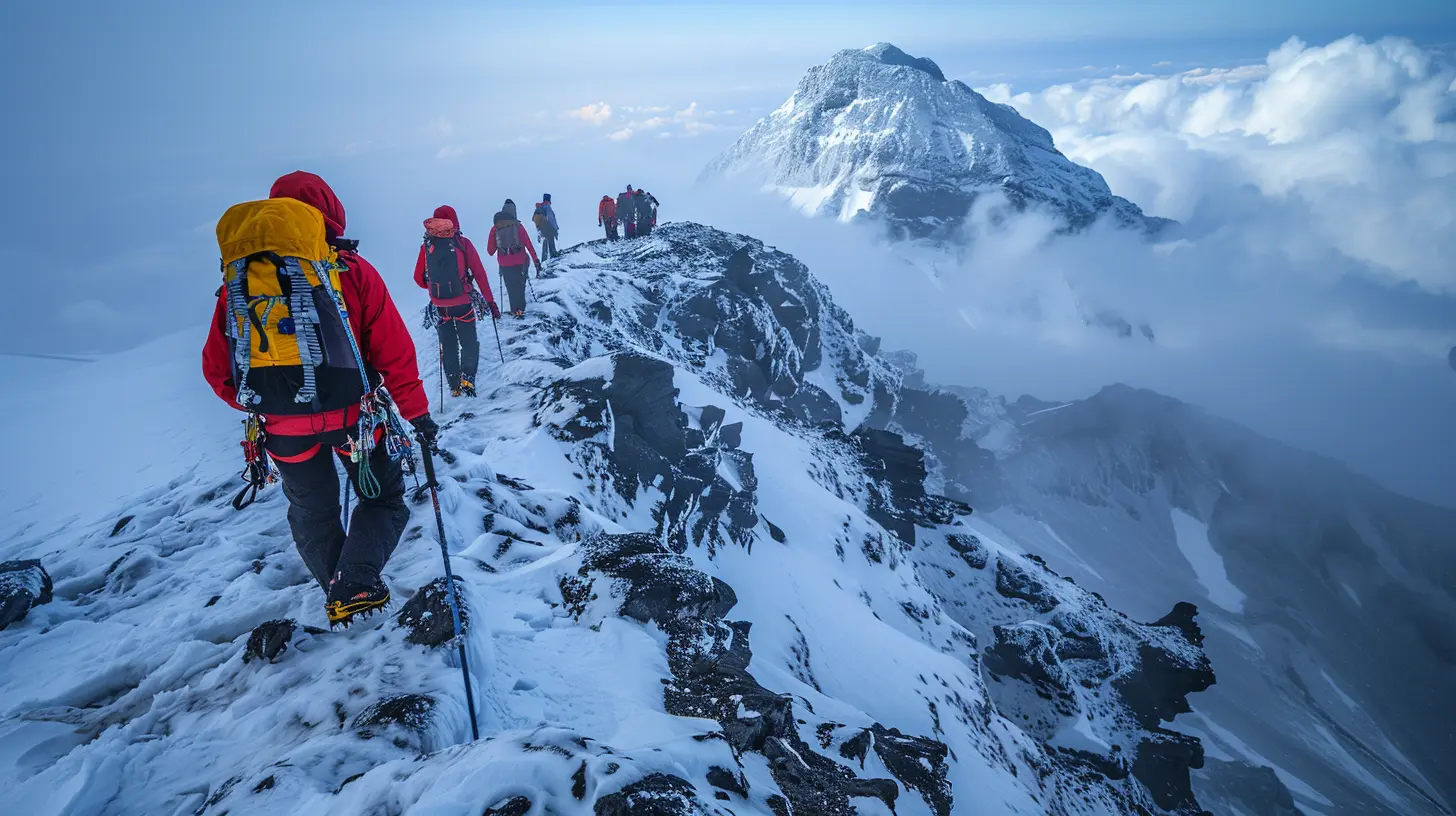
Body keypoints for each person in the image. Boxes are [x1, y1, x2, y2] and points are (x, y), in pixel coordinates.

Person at [202, 171, 437, 626]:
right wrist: (418, 415)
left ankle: (341, 589)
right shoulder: (350, 271)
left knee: (312, 509)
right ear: (329, 212)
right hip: (355, 419)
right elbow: (395, 351)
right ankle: (355, 583)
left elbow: (217, 369)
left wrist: (267, 405)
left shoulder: (238, 285)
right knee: (384, 499)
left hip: (282, 431)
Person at [413, 205, 499, 398]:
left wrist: (436, 289)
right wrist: (490, 302)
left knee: (448, 344)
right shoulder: (462, 243)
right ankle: (468, 378)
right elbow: (479, 273)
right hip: (463, 304)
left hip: (440, 307)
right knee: (468, 342)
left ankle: (454, 386)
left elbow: (418, 279)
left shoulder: (427, 246)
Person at [488, 204, 542, 318]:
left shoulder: (495, 228)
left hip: (504, 264)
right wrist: (536, 260)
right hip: (521, 261)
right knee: (520, 286)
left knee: (511, 288)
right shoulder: (518, 226)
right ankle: (520, 310)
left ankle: (515, 311)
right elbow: (528, 244)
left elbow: (490, 251)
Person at [532, 194, 560, 261]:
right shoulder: (547, 207)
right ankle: (553, 254)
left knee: (545, 242)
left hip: (542, 228)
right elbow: (551, 219)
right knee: (551, 240)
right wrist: (555, 229)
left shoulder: (540, 208)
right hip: (548, 228)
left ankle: (544, 259)